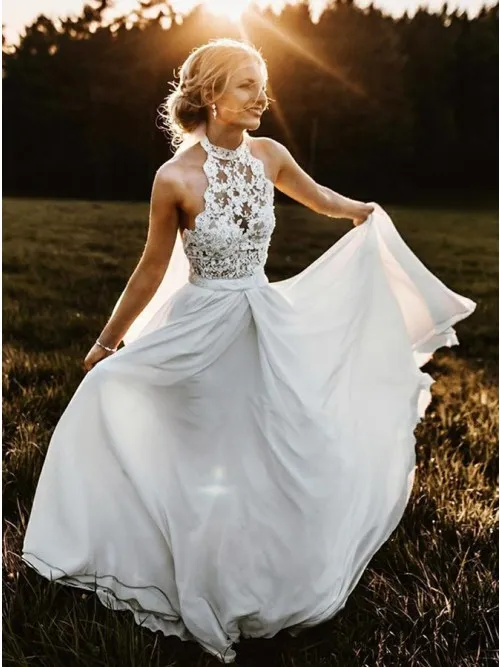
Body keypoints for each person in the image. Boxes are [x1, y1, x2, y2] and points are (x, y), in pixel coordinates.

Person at [21, 38, 476, 664]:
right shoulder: (174, 178)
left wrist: (359, 213)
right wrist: (106, 342)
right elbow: (152, 268)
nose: (262, 96)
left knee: (275, 446)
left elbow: (317, 197)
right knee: (192, 444)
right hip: (201, 329)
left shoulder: (269, 155)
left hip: (263, 319)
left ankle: (271, 569)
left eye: (263, 84)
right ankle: (181, 566)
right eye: (247, 85)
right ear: (210, 94)